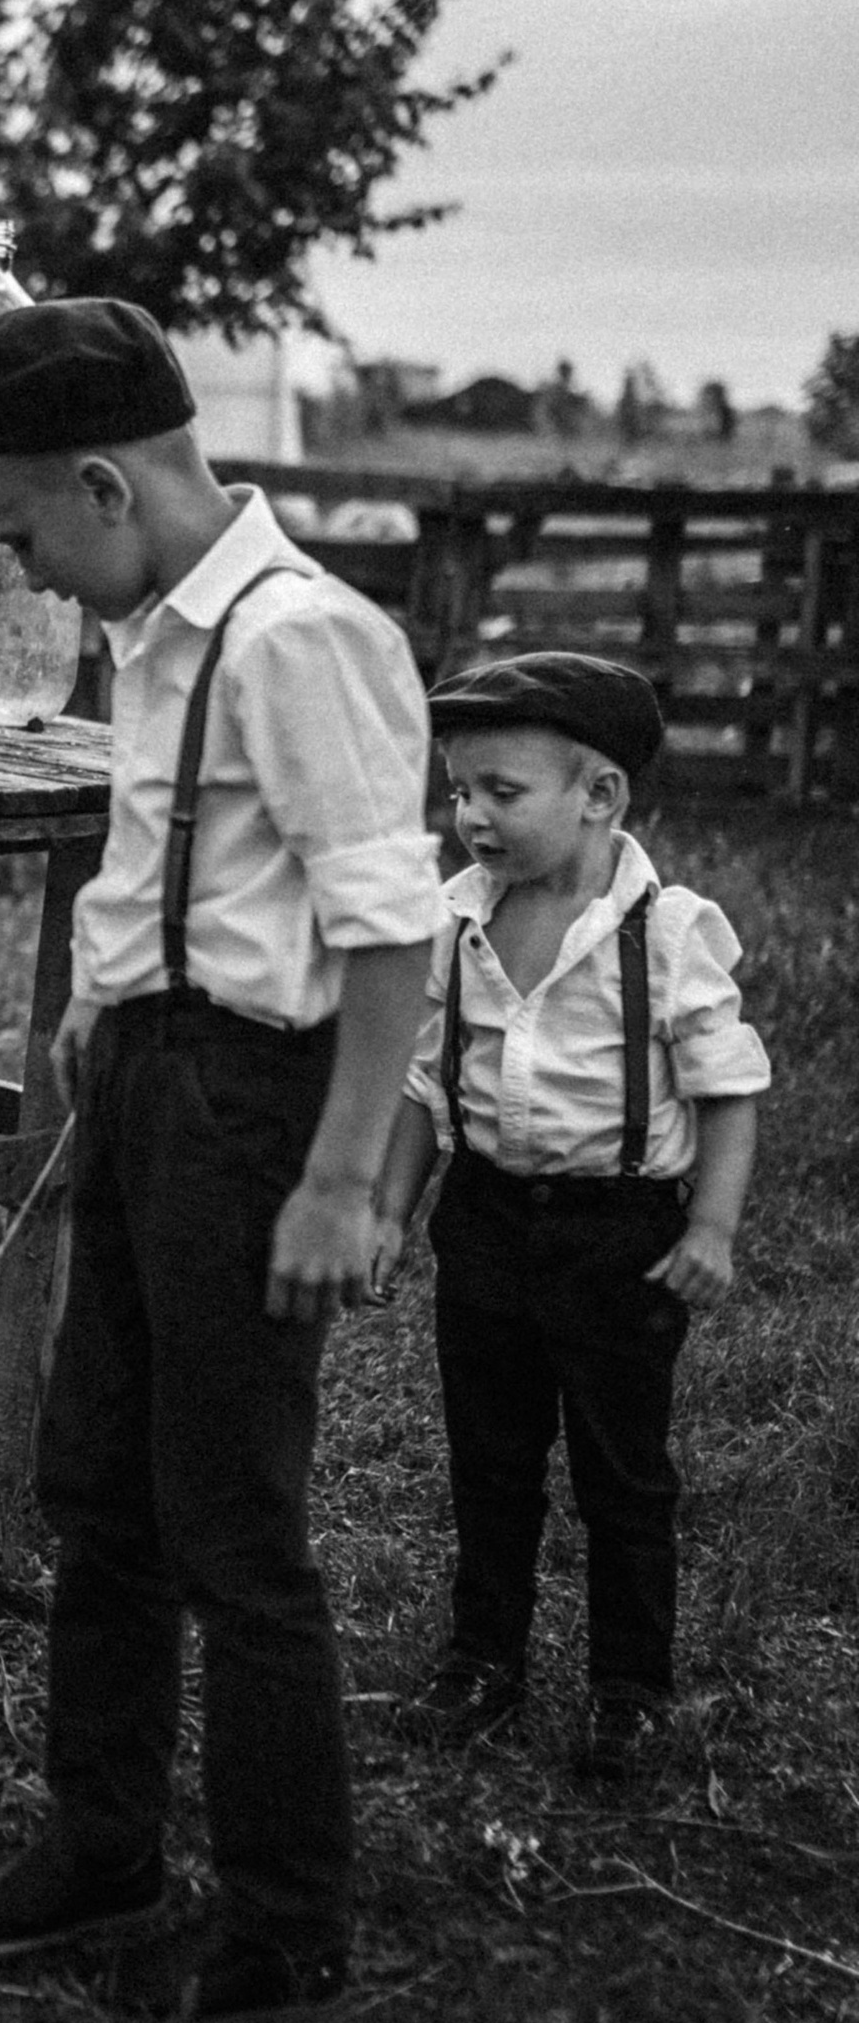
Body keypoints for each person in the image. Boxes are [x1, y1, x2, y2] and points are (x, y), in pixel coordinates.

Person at [0, 299, 445, 2023]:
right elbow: (160, 845)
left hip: (255, 1106)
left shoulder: (300, 640)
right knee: (102, 1485)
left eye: (22, 537)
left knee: (232, 1515)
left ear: (101, 483)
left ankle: (287, 1921)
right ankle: (104, 1840)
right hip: (150, 1075)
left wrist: (348, 1180)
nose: (29, 575)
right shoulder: (156, 629)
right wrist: (108, 1009)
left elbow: (383, 935)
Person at [370, 651, 767, 1781]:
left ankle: (629, 1688)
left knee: (619, 1469)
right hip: (486, 1222)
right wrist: (392, 1212)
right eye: (457, 791)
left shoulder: (671, 933)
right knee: (489, 1456)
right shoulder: (454, 923)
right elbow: (420, 1088)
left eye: (501, 792)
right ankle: (481, 1659)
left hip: (618, 1236)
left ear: (598, 798)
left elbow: (729, 1092)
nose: (469, 819)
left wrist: (711, 1230)